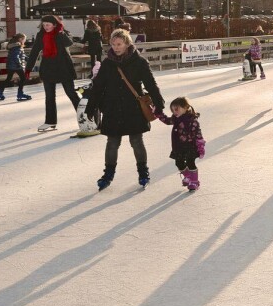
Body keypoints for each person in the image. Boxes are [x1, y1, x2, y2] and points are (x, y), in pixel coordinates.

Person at [85, 29, 165, 190]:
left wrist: (159, 103)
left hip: (133, 108)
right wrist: (90, 107)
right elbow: (98, 87)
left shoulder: (139, 62)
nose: (116, 47)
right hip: (113, 108)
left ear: (127, 43)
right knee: (112, 142)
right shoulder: (108, 63)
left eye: (119, 44)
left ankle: (143, 172)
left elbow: (150, 84)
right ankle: (108, 174)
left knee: (136, 141)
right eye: (113, 44)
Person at [25, 14, 80, 132]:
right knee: (49, 96)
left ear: (54, 24)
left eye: (48, 25)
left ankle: (84, 116)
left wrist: (61, 32)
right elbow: (35, 51)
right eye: (44, 25)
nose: (45, 27)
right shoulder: (41, 35)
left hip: (63, 67)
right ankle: (50, 121)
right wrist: (28, 68)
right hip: (48, 68)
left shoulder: (62, 33)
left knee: (71, 93)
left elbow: (69, 43)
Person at [155, 97, 206, 192]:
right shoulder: (175, 119)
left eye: (176, 109)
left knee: (191, 163)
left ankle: (194, 182)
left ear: (185, 107)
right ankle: (188, 176)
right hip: (178, 147)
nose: (174, 112)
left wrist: (200, 146)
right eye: (173, 110)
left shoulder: (192, 121)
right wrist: (158, 113)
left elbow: (198, 134)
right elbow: (166, 120)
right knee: (179, 163)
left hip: (190, 147)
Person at [0, 33, 31, 101]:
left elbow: (22, 55)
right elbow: (16, 56)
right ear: (20, 39)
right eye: (24, 39)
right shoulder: (17, 46)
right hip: (16, 66)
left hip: (11, 65)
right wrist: (19, 64)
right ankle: (20, 94)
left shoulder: (14, 45)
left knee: (8, 79)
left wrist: (28, 59)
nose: (24, 41)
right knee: (23, 79)